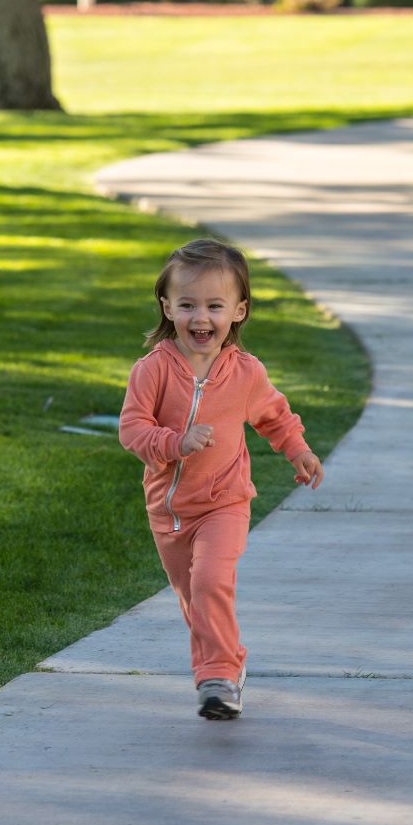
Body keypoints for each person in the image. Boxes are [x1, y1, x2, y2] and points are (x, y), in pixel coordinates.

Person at [119, 239, 324, 720]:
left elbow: (274, 415)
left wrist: (298, 450)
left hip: (225, 503)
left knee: (211, 581)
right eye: (187, 305)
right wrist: (174, 442)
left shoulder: (245, 373)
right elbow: (132, 429)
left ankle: (217, 678)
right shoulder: (152, 371)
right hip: (167, 511)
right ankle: (227, 663)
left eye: (215, 306)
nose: (200, 318)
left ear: (239, 310)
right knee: (194, 600)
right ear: (167, 306)